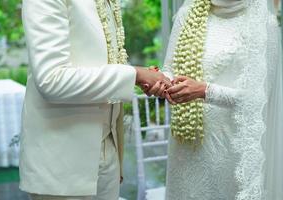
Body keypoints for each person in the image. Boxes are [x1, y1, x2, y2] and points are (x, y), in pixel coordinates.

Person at [19, 0, 170, 199]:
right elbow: (51, 80)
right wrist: (134, 75)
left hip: (109, 147)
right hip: (63, 160)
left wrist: (136, 77)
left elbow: (94, 60)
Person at [146, 0, 283, 199]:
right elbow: (170, 70)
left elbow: (259, 98)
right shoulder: (187, 14)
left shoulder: (264, 23)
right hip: (187, 146)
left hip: (232, 149)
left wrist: (205, 91)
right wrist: (160, 82)